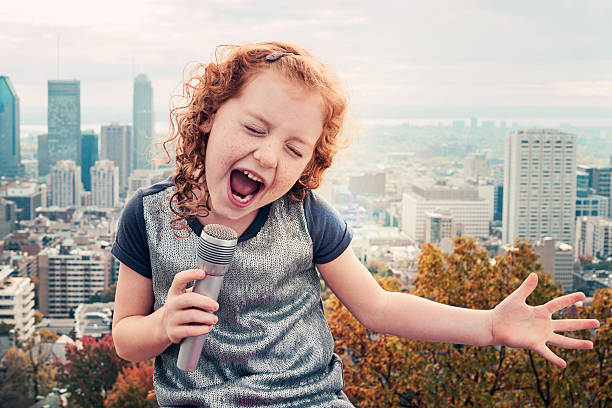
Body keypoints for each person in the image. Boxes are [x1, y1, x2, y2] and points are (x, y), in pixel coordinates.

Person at [111, 41, 600, 408]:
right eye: (255, 128)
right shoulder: (150, 217)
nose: (267, 154)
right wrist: (162, 325)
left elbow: (379, 307)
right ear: (209, 118)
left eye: (294, 148)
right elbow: (125, 337)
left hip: (308, 399)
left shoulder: (304, 216)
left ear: (308, 165)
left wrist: (490, 325)